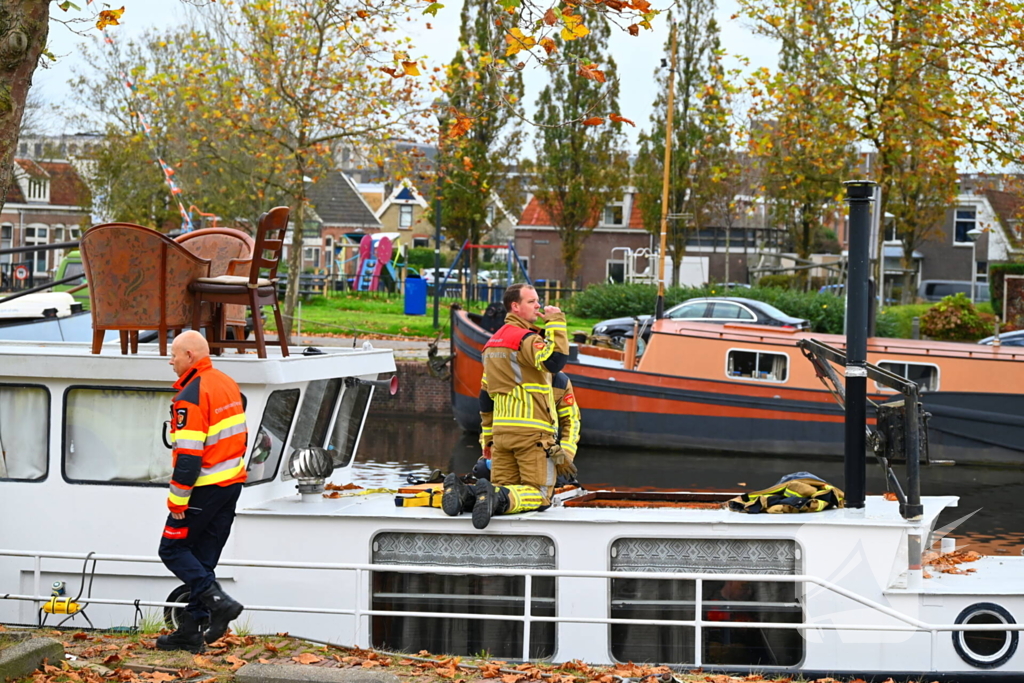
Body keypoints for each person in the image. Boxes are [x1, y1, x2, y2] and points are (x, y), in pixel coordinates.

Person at [442, 283, 574, 529]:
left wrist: (488, 440)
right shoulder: (526, 339)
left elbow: (485, 397)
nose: (538, 306)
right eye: (532, 301)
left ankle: (466, 495)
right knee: (540, 495)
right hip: (532, 434)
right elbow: (554, 361)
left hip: (502, 435)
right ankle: (497, 497)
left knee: (503, 491)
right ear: (515, 306)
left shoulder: (491, 344)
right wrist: (556, 322)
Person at [157, 331, 247, 653]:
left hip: (204, 487)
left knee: (171, 549)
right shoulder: (226, 382)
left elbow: (189, 455)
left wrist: (177, 500)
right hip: (231, 483)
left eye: (174, 355)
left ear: (190, 356)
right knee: (203, 558)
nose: (170, 361)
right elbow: (240, 437)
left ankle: (218, 603)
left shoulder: (190, 395)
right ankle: (191, 631)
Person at [472, 370, 580, 485]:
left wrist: (565, 456)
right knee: (482, 469)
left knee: (562, 477)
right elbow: (487, 420)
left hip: (545, 447)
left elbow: (571, 421)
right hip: (507, 444)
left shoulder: (561, 383)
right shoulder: (511, 374)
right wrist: (490, 449)